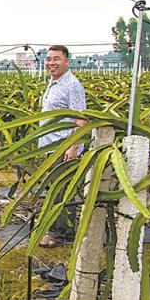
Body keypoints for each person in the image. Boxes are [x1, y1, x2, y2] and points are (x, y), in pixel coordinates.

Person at [37, 44, 87, 247]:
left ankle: (57, 234)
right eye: (48, 59)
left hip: (63, 146)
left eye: (56, 59)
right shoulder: (54, 82)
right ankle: (62, 229)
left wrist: (73, 146)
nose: (51, 63)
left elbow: (80, 118)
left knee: (61, 190)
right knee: (54, 189)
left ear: (67, 60)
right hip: (50, 145)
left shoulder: (72, 85)